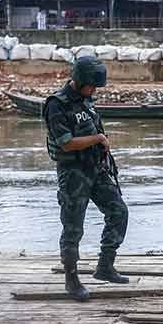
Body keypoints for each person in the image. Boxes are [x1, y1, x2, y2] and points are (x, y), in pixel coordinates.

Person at [44, 55, 130, 301]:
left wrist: (101, 147)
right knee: (73, 227)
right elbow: (67, 143)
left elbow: (92, 129)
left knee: (118, 211)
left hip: (96, 168)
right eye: (92, 86)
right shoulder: (56, 104)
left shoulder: (86, 101)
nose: (94, 91)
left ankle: (105, 266)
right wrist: (99, 139)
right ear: (81, 80)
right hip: (73, 173)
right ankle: (71, 280)